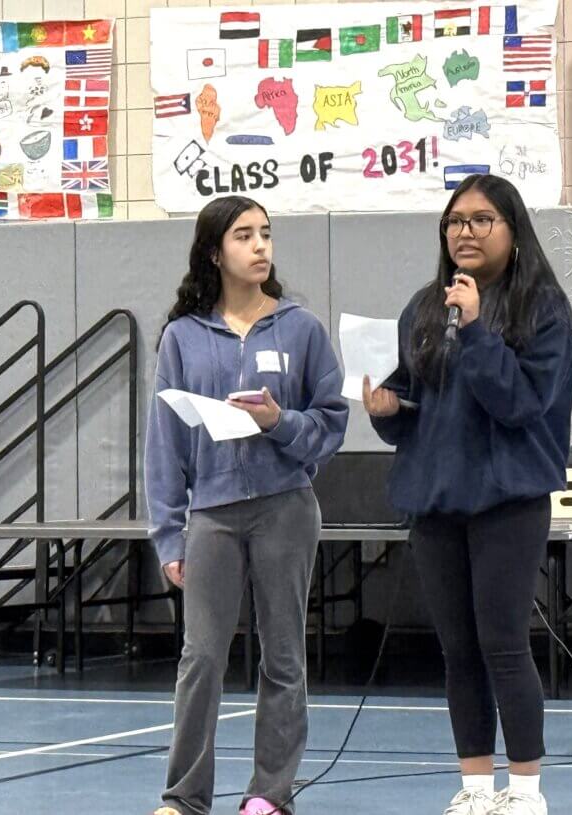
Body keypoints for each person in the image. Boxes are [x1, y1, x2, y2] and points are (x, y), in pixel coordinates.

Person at [362, 174, 572, 815]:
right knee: (457, 651)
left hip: (507, 500)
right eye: (456, 221)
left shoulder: (543, 310)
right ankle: (477, 786)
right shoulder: (427, 307)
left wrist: (480, 332)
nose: (465, 232)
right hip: (436, 500)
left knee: (503, 643)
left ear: (514, 232)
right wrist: (385, 411)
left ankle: (526, 789)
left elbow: (521, 406)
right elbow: (416, 405)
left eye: (482, 220)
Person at [146, 195, 348, 815]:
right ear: (215, 252)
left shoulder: (301, 329)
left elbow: (331, 421)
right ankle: (184, 797)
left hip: (285, 508)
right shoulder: (182, 337)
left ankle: (269, 795)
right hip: (210, 516)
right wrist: (168, 535)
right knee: (201, 657)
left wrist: (279, 422)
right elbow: (164, 441)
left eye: (266, 234)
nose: (260, 246)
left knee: (283, 656)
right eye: (244, 236)